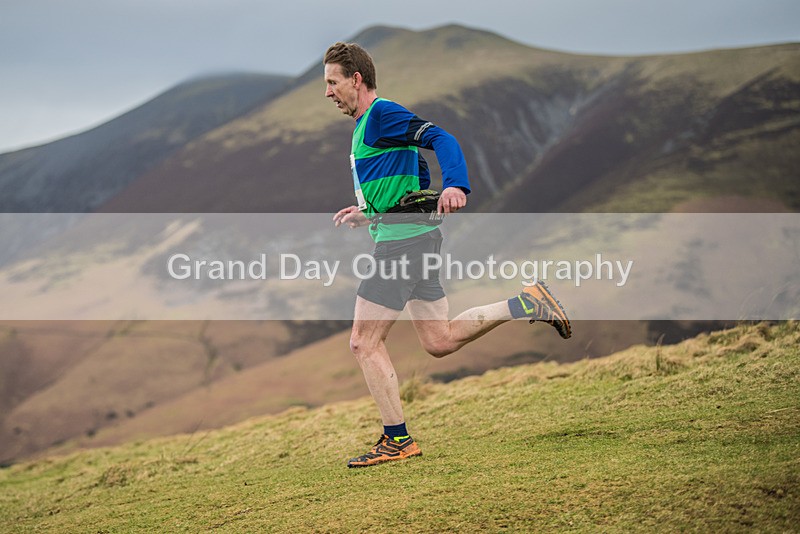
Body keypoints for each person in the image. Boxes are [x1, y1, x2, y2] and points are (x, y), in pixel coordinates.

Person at [324, 42, 571, 468]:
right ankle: (528, 302)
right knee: (439, 341)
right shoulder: (366, 126)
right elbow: (411, 179)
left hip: (404, 244)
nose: (328, 92)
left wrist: (456, 184)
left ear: (356, 79)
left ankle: (397, 440)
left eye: (332, 82)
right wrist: (368, 213)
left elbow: (440, 137)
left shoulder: (381, 113)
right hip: (415, 237)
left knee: (363, 342)